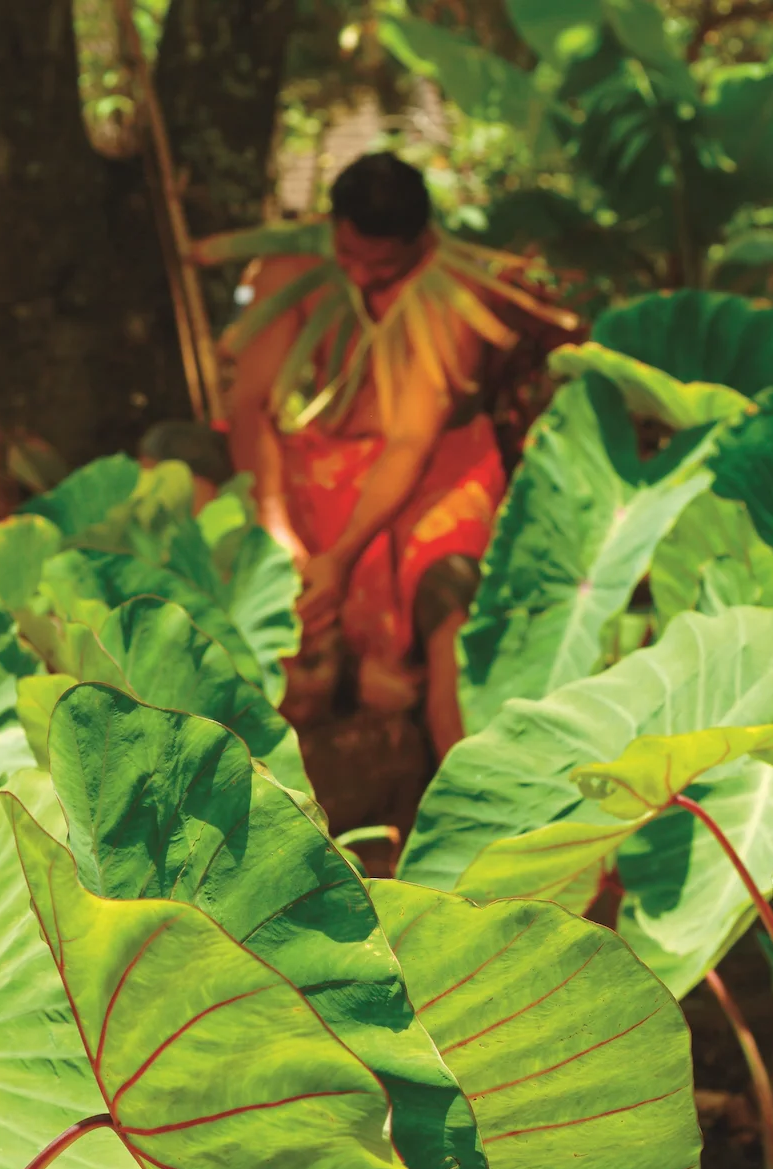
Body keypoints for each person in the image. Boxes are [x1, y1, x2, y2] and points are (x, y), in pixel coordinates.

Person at [227, 153, 568, 758]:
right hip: (319, 462)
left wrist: (340, 555)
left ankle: (468, 791)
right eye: (349, 258)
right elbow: (252, 402)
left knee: (448, 600)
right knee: (237, 558)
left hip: (436, 472)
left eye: (381, 267)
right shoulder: (291, 270)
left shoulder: (449, 295)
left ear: (421, 243)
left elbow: (410, 442)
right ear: (334, 228)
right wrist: (274, 523)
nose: (360, 279)